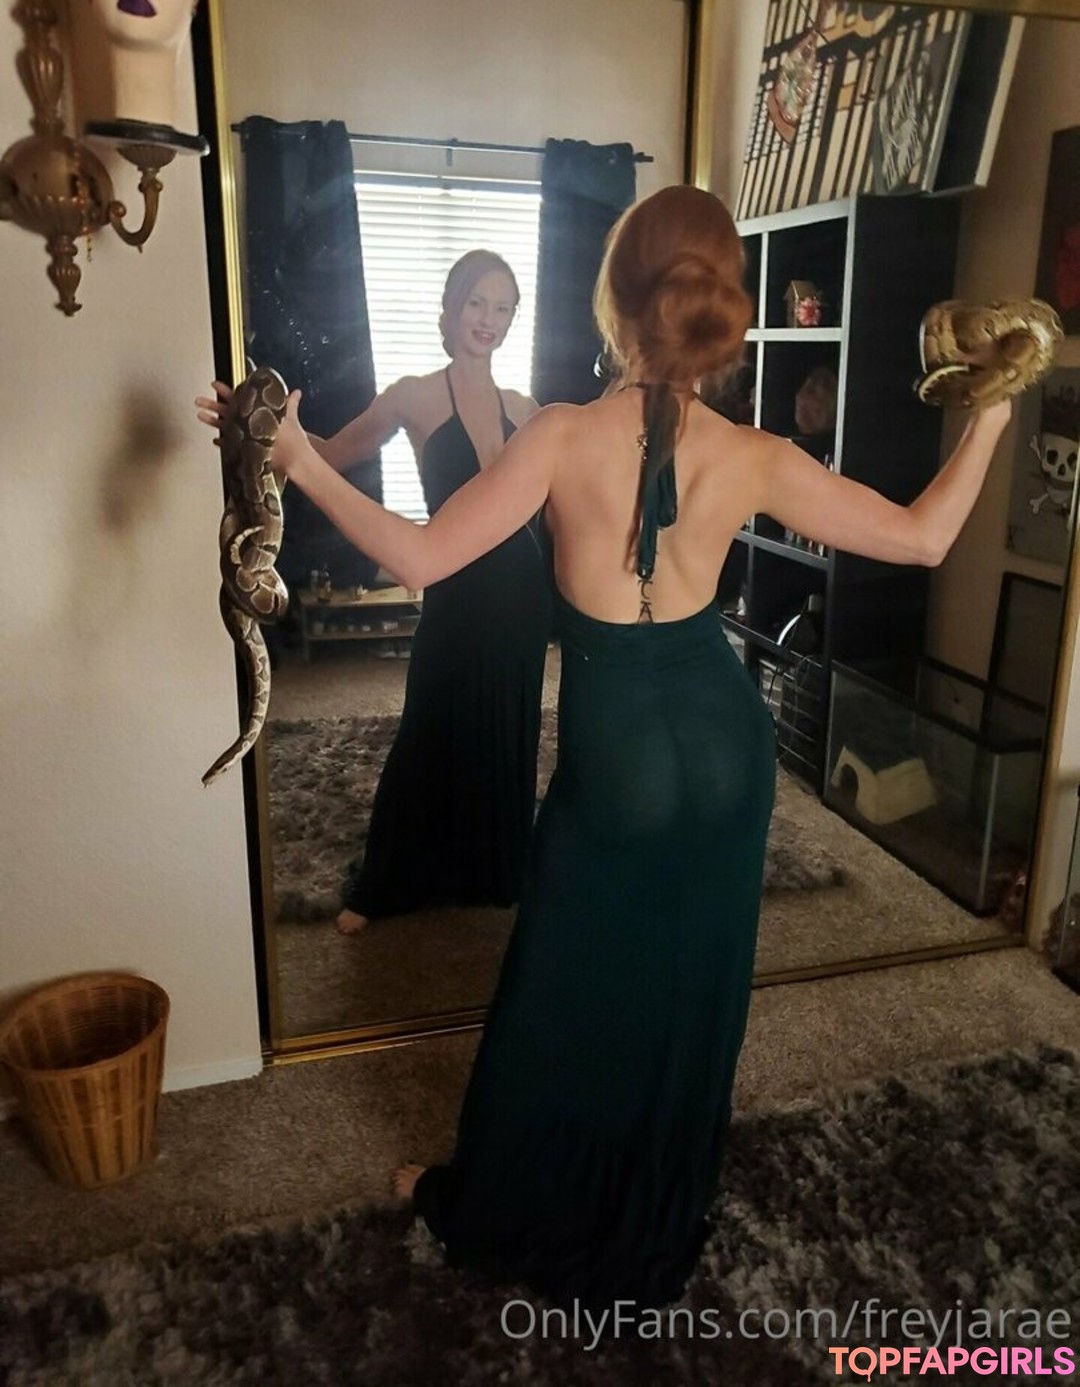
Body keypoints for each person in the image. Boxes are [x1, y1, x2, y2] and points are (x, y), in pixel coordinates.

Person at [241, 186, 1012, 1310]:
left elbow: (420, 557)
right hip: (729, 740)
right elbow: (927, 536)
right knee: (689, 989)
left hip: (621, 750)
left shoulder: (558, 434)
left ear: (615, 304)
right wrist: (993, 407)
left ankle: (499, 1200)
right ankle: (653, 1206)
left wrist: (299, 460)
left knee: (561, 990)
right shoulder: (752, 453)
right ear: (720, 310)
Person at [199, 250, 553, 935]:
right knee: (429, 724)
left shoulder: (528, 409)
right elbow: (329, 454)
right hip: (452, 587)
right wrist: (252, 427)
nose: (489, 319)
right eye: (477, 303)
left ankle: (496, 867)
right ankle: (384, 883)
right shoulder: (411, 395)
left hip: (522, 595)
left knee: (508, 724)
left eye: (504, 307)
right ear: (449, 310)